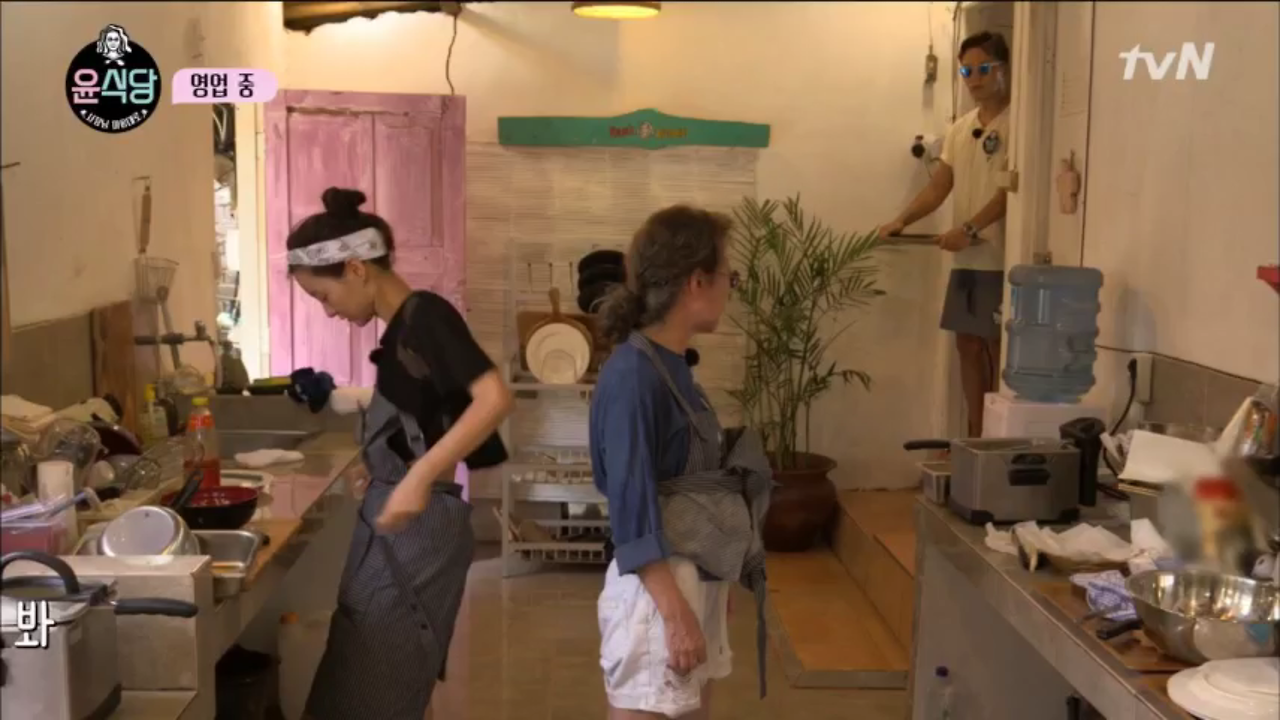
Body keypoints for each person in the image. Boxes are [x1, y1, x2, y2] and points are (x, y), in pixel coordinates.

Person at [286, 187, 513, 719]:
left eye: (324, 296)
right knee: (378, 679)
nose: (328, 311)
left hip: (419, 531)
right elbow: (427, 417)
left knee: (372, 687)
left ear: (356, 269)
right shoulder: (400, 332)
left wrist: (416, 478)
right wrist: (382, 464)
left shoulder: (425, 316)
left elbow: (494, 398)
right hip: (395, 524)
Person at [591, 205, 773, 719]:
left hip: (690, 578)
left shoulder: (672, 367)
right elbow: (631, 506)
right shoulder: (633, 375)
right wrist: (674, 613)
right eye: (729, 276)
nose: (730, 288)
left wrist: (716, 574)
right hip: (657, 592)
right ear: (696, 281)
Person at [879, 31, 1013, 438]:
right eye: (967, 71)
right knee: (966, 345)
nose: (975, 79)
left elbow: (1010, 193)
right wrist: (902, 220)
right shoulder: (960, 129)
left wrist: (969, 228)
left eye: (983, 69)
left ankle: (997, 438)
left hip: (1003, 259)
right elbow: (939, 187)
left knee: (998, 348)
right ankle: (974, 435)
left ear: (1004, 69)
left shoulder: (1020, 123)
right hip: (967, 259)